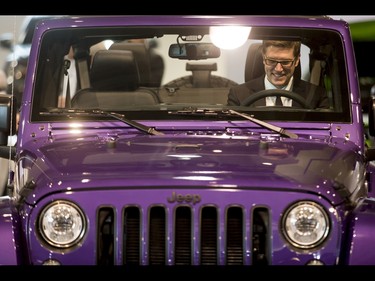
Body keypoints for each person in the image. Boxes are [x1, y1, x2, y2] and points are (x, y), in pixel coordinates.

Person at [227, 40, 329, 108]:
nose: (278, 69)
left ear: (297, 60)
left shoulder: (316, 95)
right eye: (271, 61)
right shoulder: (238, 95)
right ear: (263, 58)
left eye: (285, 62)